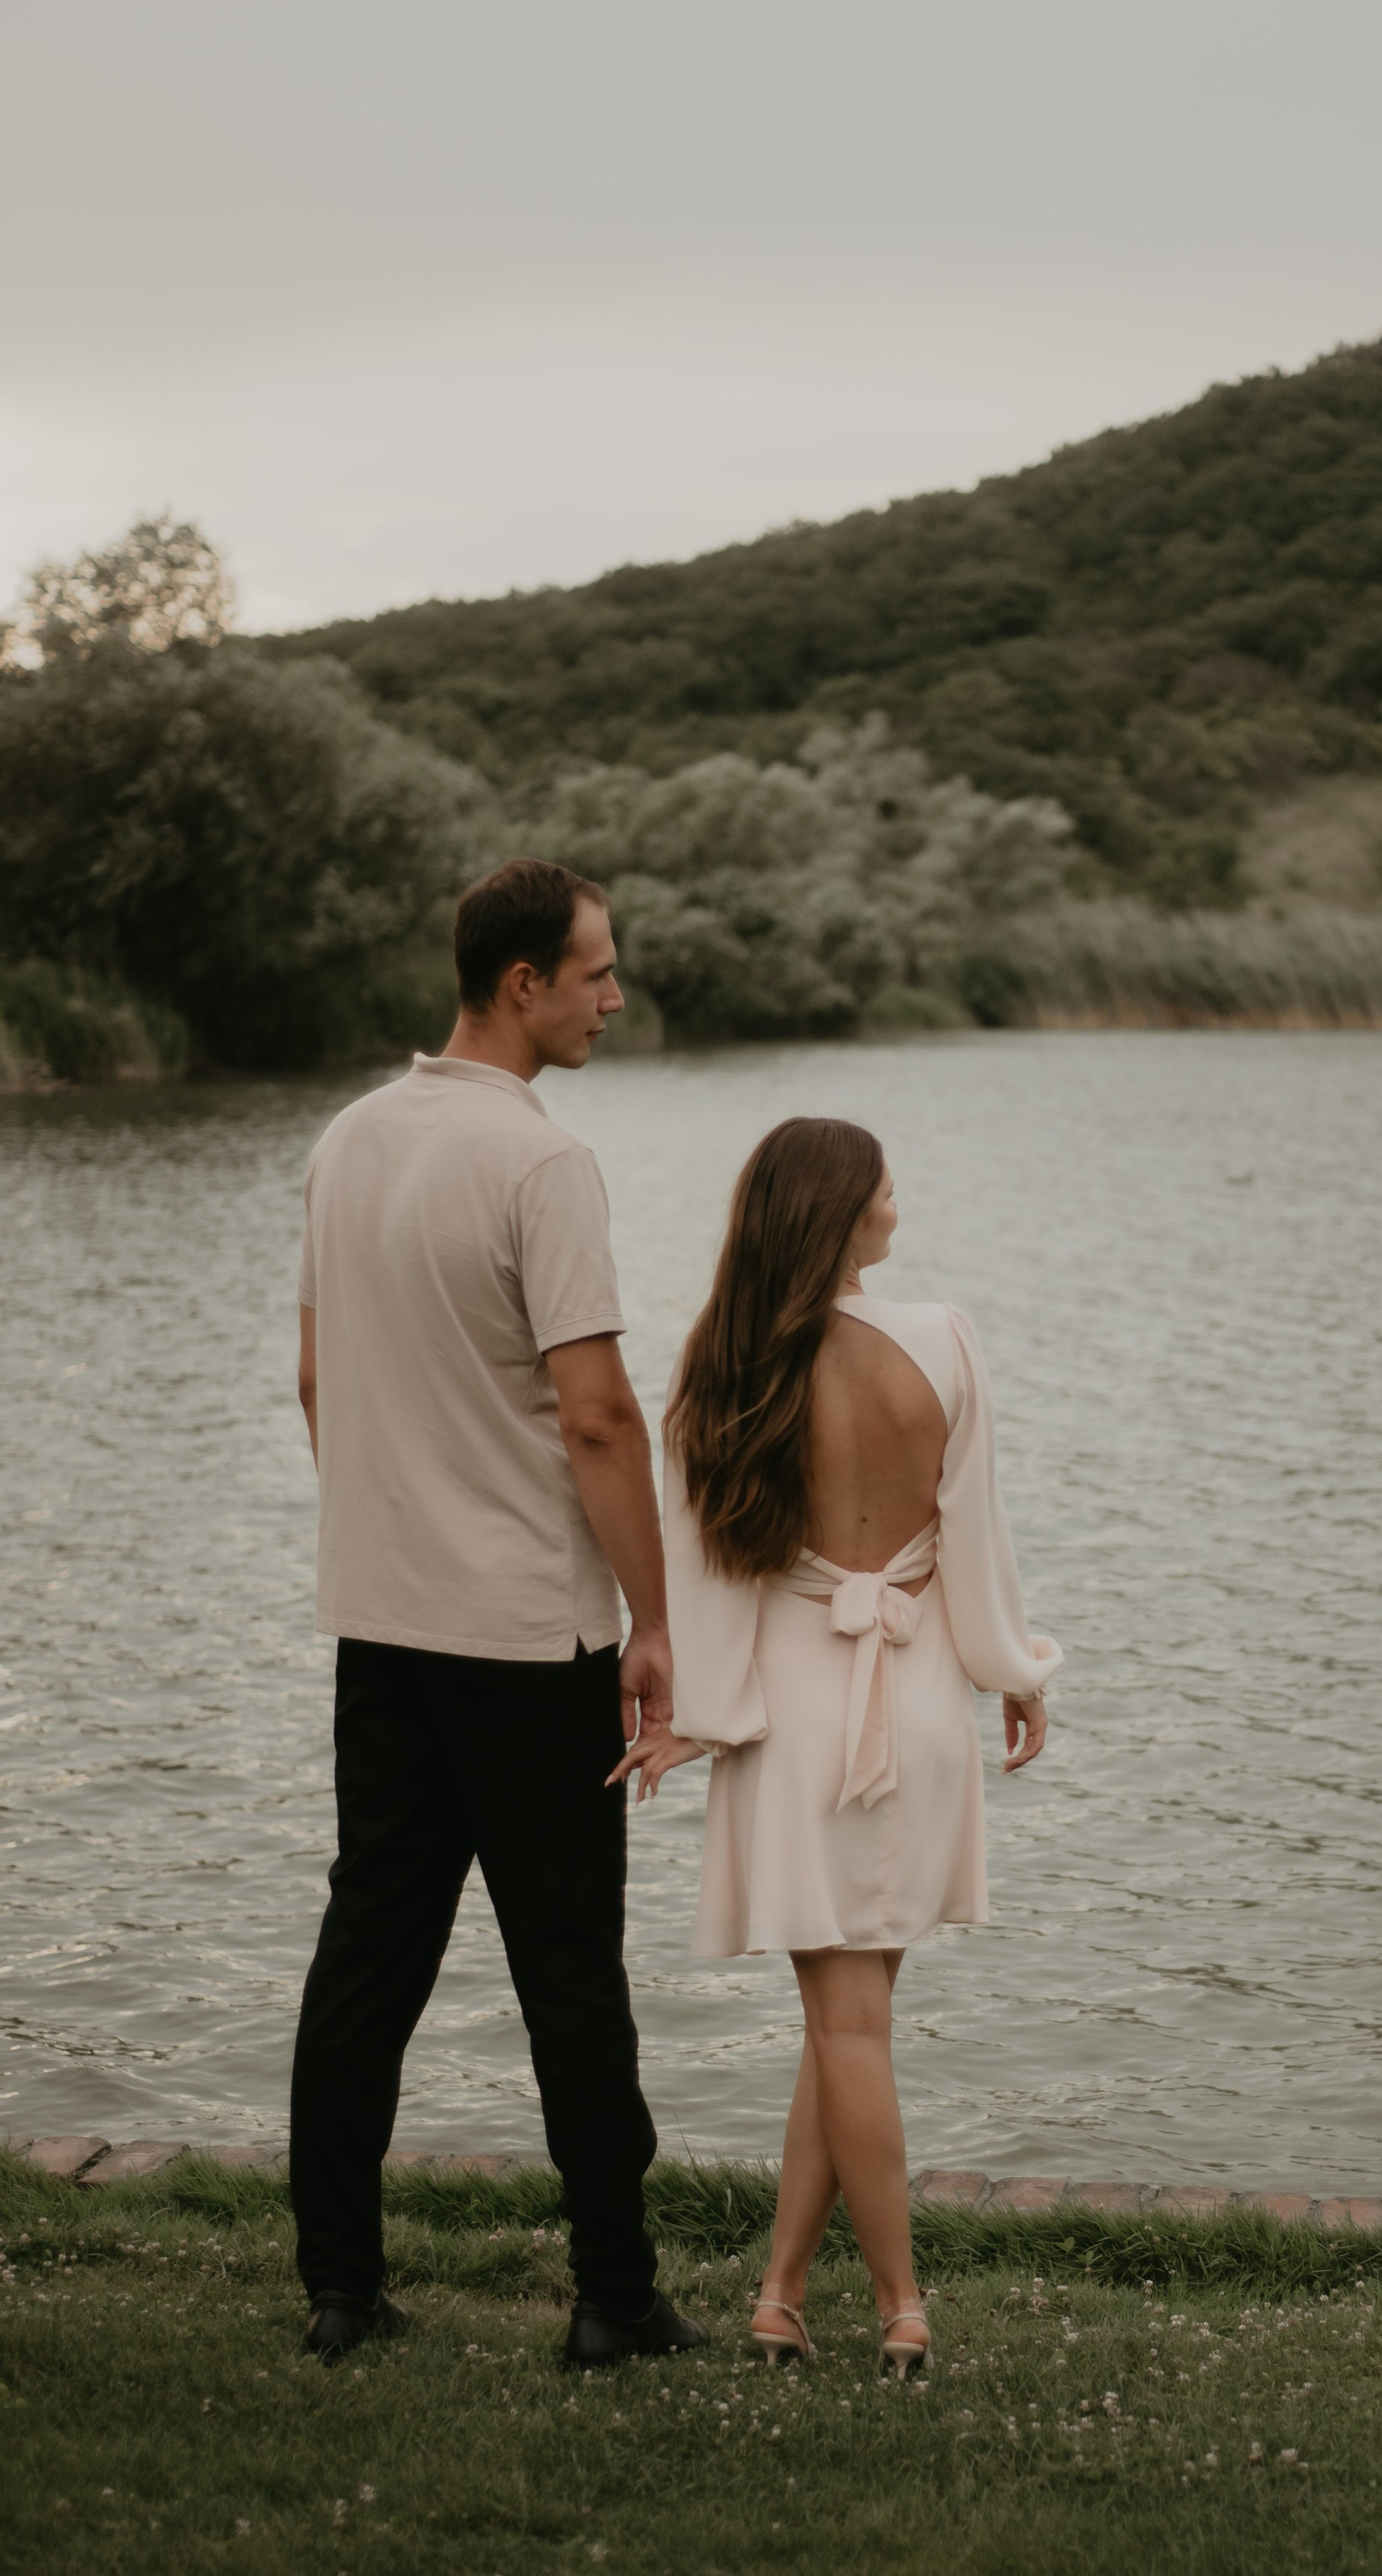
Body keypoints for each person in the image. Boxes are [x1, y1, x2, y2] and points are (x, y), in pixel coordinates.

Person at [288, 855, 707, 2371]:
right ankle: (612, 2298)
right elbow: (596, 1416)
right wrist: (654, 1625)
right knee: (572, 1979)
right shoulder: (543, 1165)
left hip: (381, 1634)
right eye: (595, 971)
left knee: (365, 1963)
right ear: (519, 984)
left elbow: (320, 1382)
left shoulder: (346, 1140)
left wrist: (394, 1534)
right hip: (532, 1644)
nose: (614, 995)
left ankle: (340, 2288)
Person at [615, 1116, 1058, 2379]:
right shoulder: (944, 1340)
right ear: (843, 1212)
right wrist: (1014, 1672)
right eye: (885, 1190)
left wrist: (692, 1721)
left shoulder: (722, 1373)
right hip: (916, 1701)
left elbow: (707, 1587)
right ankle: (787, 2296)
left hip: (805, 1716)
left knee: (844, 2021)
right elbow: (976, 1539)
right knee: (849, 2024)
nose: (898, 1209)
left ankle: (895, 2308)